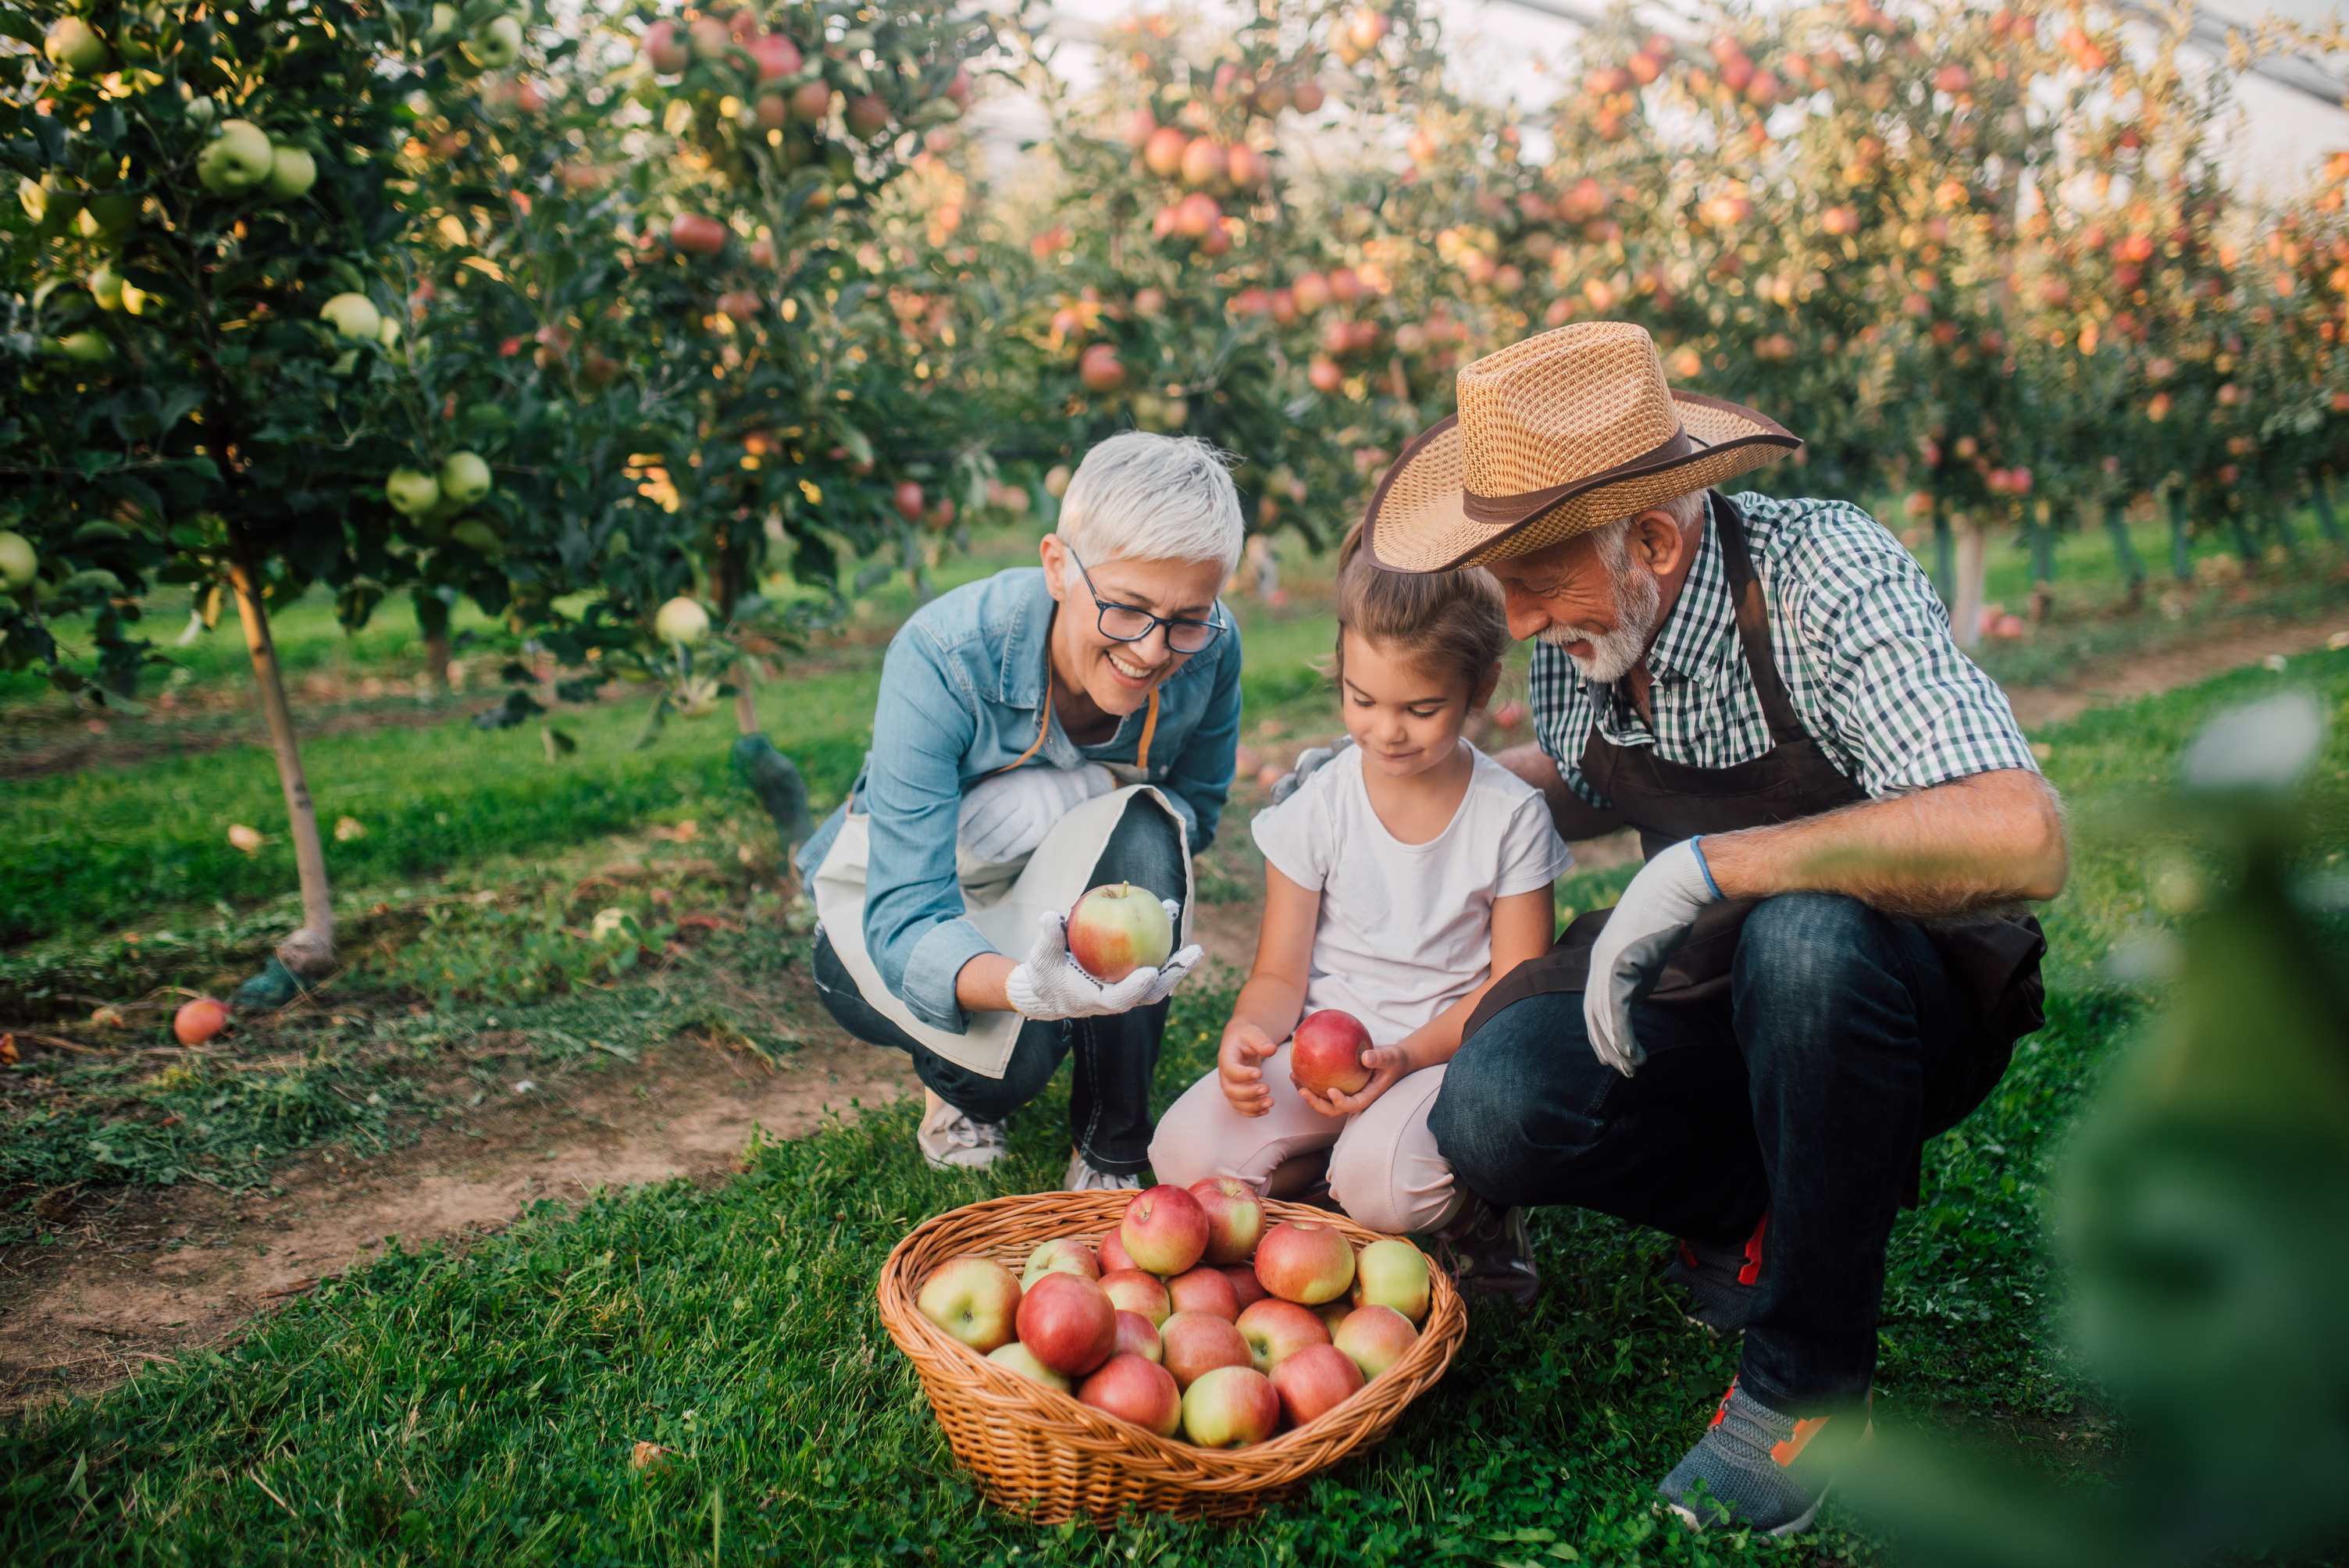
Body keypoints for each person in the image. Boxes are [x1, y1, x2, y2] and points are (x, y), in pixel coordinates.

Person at [1286, 322, 2066, 1535]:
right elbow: (1584, 777)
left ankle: (1805, 1390)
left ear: (1652, 537)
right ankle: (1756, 1204)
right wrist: (1412, 772)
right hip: (1713, 985)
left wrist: (1718, 867)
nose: (1521, 617)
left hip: (1892, 996)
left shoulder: (1821, 576)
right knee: (1494, 1106)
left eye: (1537, 582)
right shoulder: (1582, 635)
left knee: (1804, 937)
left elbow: (2025, 832)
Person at [797, 433, 1245, 1191]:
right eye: (1128, 608)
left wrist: (1092, 841)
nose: (1151, 648)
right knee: (1002, 1073)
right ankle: (959, 1089)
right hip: (903, 895)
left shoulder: (1211, 647)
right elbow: (902, 913)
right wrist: (1025, 989)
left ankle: (1112, 1146)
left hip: (1054, 879)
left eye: (1185, 618)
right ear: (1057, 566)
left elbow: (1192, 813)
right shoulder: (943, 652)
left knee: (1146, 816)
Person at [1147, 528, 1570, 1240]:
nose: (1387, 731)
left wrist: (1406, 1055)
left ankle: (1479, 1217)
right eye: (1363, 699)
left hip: (1438, 1060)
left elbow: (1512, 992)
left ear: (1481, 688)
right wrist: (1251, 1030)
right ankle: (1325, 1178)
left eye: (1420, 709)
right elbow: (1280, 973)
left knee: (1387, 1191)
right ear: (1342, 669)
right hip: (1323, 1059)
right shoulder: (1321, 806)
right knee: (1182, 1155)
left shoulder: (1510, 818)